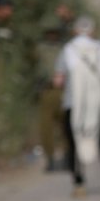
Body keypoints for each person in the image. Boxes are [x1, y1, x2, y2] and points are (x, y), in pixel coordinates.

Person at [55, 16, 100, 198]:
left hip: (72, 104)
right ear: (92, 31)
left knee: (74, 142)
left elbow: (59, 79)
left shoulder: (68, 50)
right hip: (96, 105)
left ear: (75, 31)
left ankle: (79, 184)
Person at [33, 13, 68, 172]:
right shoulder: (40, 48)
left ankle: (68, 157)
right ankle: (51, 159)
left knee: (66, 126)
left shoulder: (65, 48)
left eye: (55, 31)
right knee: (46, 127)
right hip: (46, 90)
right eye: (49, 31)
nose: (52, 35)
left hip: (63, 91)